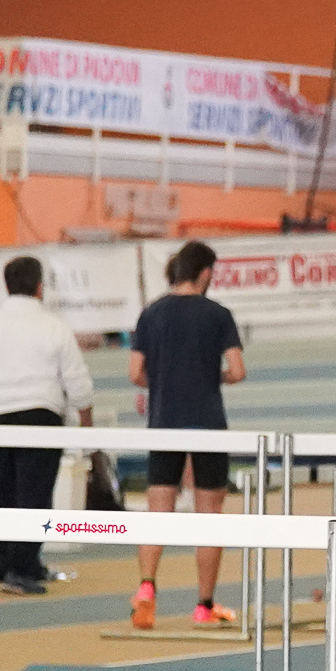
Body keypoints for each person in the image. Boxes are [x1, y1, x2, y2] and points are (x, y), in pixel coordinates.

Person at [0, 255, 95, 596]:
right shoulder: (54, 326)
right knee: (35, 496)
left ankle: (7, 564)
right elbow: (77, 381)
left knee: (7, 492)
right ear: (40, 287)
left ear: (6, 286)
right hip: (41, 417)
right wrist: (86, 422)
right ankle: (21, 569)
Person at [126, 240, 246, 631]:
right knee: (209, 516)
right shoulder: (218, 315)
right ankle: (203, 605)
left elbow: (136, 373)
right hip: (208, 426)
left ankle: (146, 588)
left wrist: (162, 384)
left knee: (158, 511)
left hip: (164, 424)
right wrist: (213, 377)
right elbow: (238, 370)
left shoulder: (151, 313)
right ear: (206, 272)